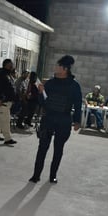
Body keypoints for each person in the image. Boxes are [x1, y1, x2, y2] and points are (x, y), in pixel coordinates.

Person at [29, 55, 82, 184]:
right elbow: (43, 103)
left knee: (58, 149)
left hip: (64, 120)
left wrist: (77, 121)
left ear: (64, 69)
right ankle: (36, 175)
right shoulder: (51, 83)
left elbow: (78, 104)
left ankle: (53, 175)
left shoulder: (74, 85)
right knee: (42, 148)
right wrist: (41, 92)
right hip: (49, 118)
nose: (55, 68)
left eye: (58, 66)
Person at [0, 59, 17, 145]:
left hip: (6, 101)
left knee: (0, 118)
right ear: (7, 65)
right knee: (5, 120)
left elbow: (10, 87)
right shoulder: (2, 74)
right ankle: (8, 138)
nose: (12, 66)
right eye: (11, 64)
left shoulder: (7, 74)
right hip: (2, 101)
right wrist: (1, 99)